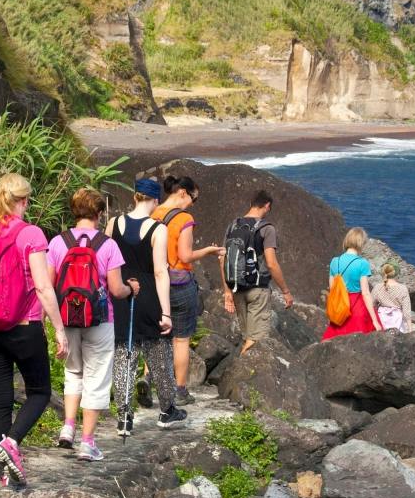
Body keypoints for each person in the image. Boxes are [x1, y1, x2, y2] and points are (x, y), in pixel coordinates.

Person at [0, 173, 68, 489]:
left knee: (2, 399)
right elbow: (44, 287)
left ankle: (7, 472)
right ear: (21, 201)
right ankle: (13, 442)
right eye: (27, 201)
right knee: (39, 392)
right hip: (25, 327)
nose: (28, 206)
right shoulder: (30, 234)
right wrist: (59, 330)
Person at [47, 187, 133, 462]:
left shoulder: (58, 242)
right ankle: (88, 442)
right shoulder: (108, 245)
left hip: (66, 319)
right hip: (99, 319)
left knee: (74, 373)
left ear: (74, 211)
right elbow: (116, 290)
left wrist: (51, 323)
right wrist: (132, 289)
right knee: (96, 379)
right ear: (99, 213)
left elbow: (48, 286)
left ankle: (68, 428)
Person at [110, 177, 181, 432]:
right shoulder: (158, 229)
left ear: (134, 196)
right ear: (155, 200)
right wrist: (166, 313)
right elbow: (161, 272)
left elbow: (109, 261)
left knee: (123, 355)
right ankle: (167, 410)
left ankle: (124, 418)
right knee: (159, 354)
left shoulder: (113, 223)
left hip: (120, 295)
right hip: (148, 295)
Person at [152, 174, 222, 403]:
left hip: (154, 284)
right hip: (179, 284)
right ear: (182, 192)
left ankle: (148, 381)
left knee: (155, 336)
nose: (193, 203)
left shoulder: (153, 214)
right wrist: (209, 251)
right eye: (194, 198)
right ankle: (180, 390)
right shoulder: (184, 219)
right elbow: (185, 255)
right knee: (180, 339)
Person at [221, 188, 293, 354]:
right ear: (267, 206)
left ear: (251, 204)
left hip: (236, 288)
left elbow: (223, 258)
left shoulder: (233, 225)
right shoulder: (267, 229)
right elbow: (271, 263)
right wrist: (285, 291)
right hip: (258, 290)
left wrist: (227, 291)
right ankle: (244, 374)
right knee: (256, 341)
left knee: (247, 336)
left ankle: (242, 372)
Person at [322, 226, 379, 340]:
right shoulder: (362, 263)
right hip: (357, 307)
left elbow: (333, 289)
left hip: (340, 307)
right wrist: (375, 320)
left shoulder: (335, 261)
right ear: (361, 243)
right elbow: (366, 293)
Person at [371, 261, 413, 332]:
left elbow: (371, 304)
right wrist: (410, 329)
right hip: (397, 319)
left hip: (381, 317)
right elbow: (406, 311)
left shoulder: (377, 287)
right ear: (397, 273)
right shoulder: (402, 288)